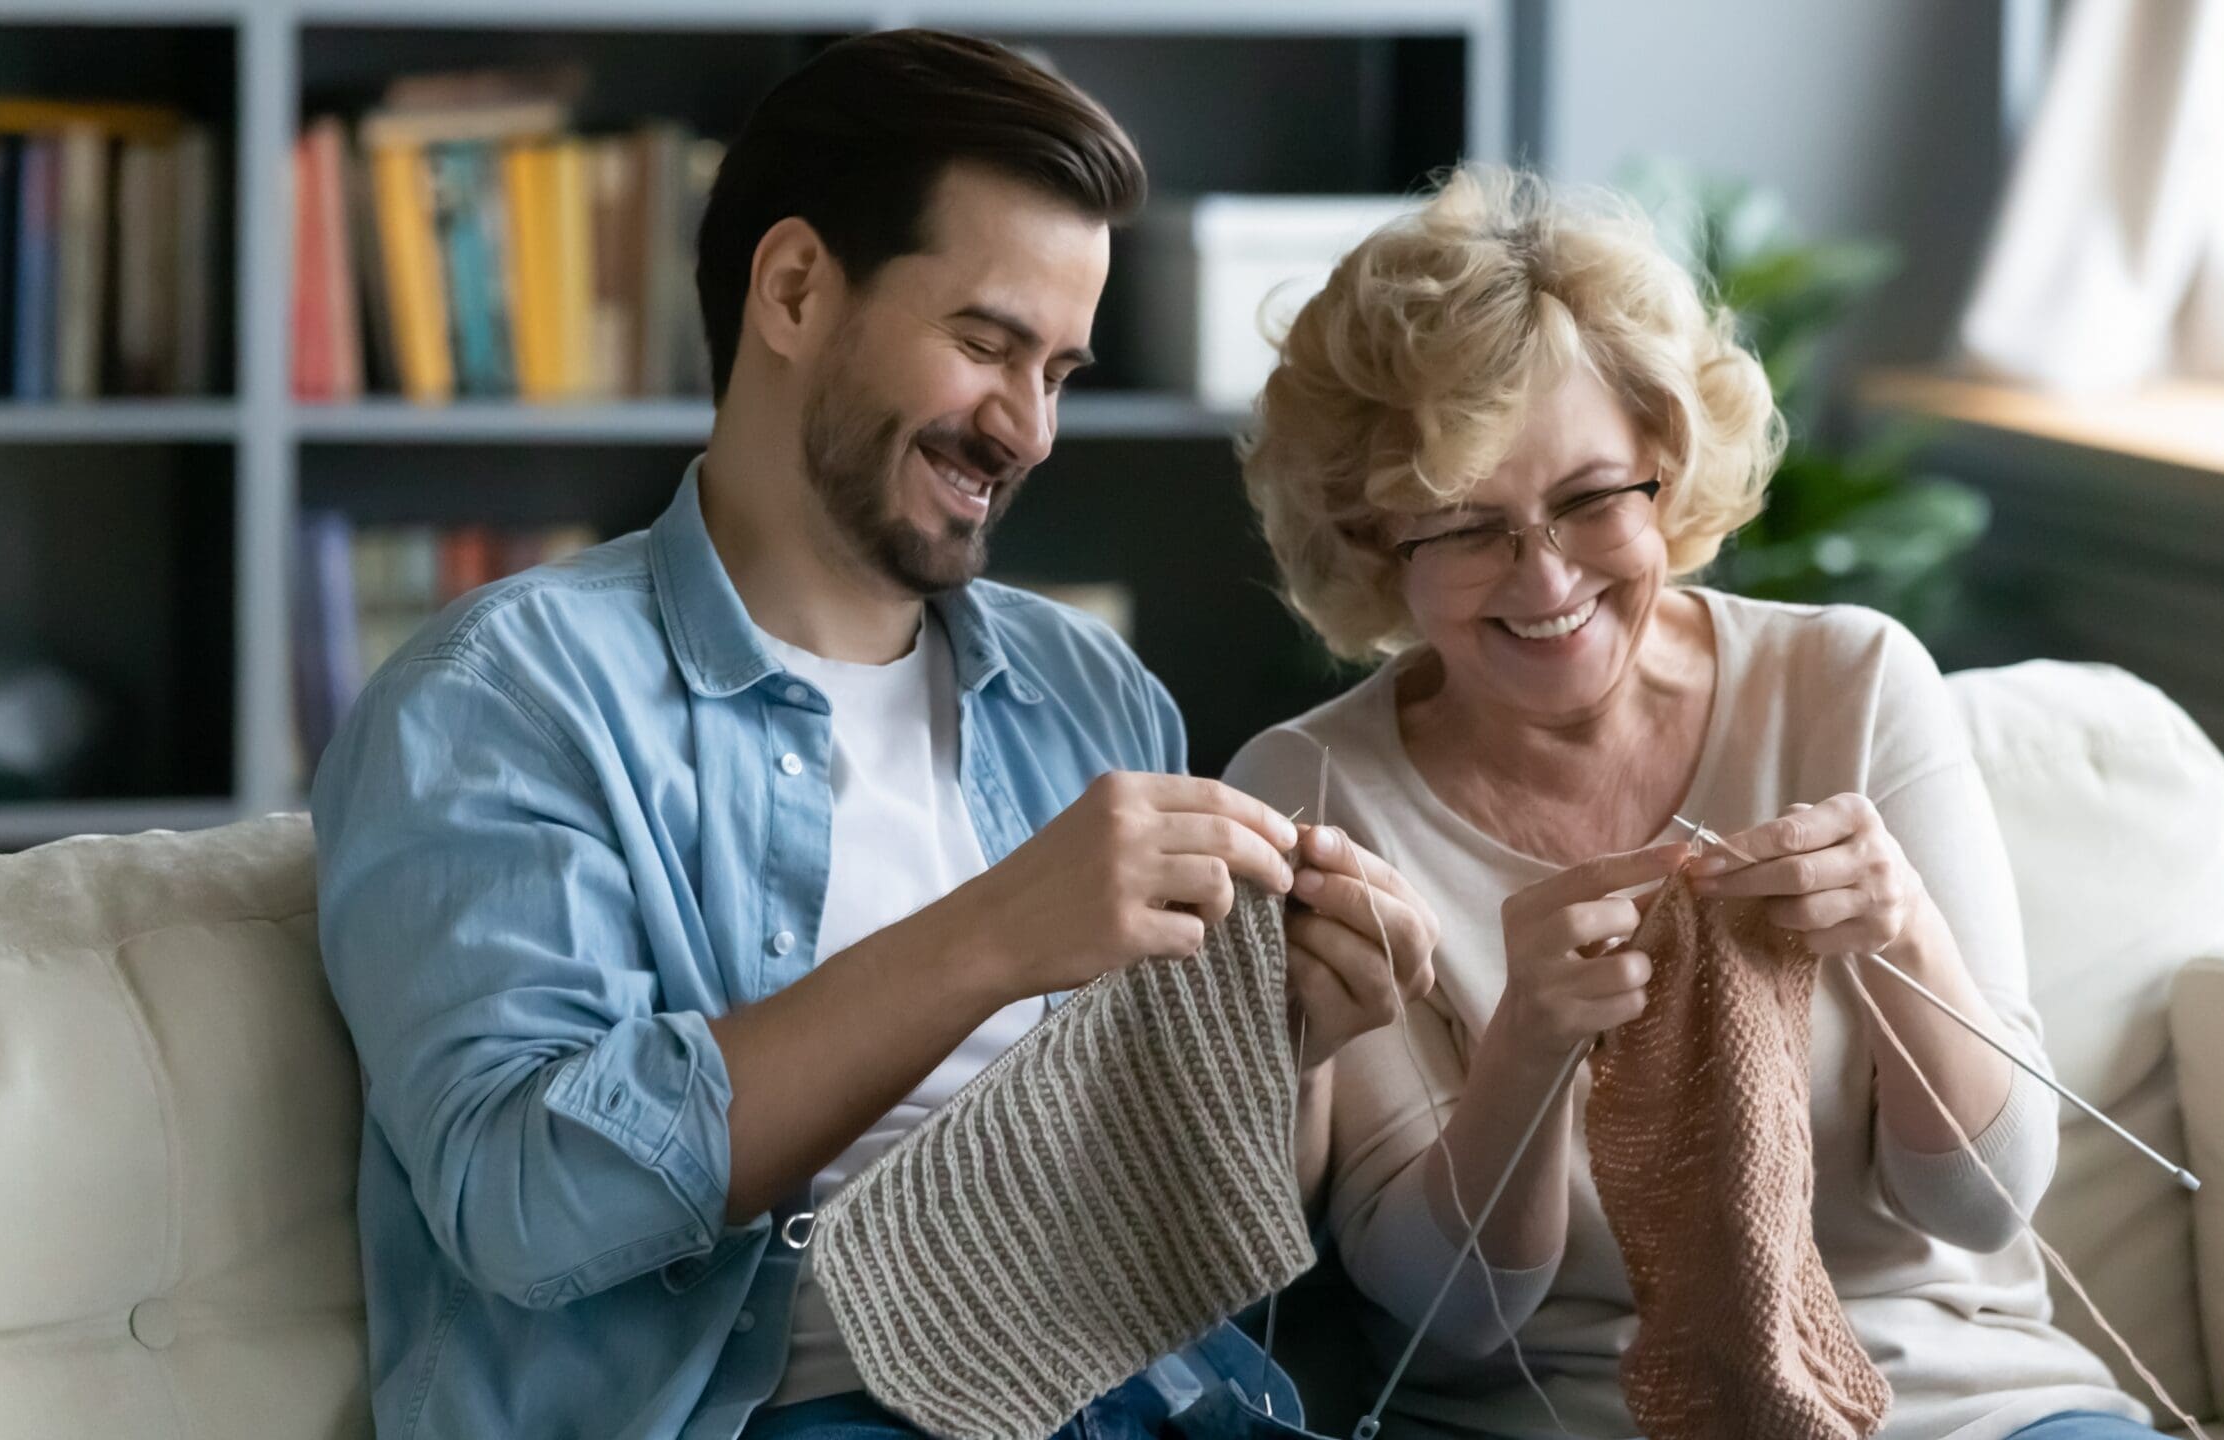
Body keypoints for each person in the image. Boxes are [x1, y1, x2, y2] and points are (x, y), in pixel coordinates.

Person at [312, 31, 1433, 1440]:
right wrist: (989, 939)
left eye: (1064, 372)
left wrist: (1282, 1045)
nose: (1027, 429)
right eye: (984, 344)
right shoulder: (506, 699)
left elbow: (1162, 1224)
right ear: (792, 290)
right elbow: (524, 1203)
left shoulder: (1089, 693)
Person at [1224, 164, 2165, 1440]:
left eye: (1588, 498)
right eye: (1463, 526)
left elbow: (1984, 1208)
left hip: (1957, 1407)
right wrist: (1527, 1049)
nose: (1545, 575)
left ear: (1667, 462)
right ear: (1365, 539)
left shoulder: (1852, 681)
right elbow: (1450, 1317)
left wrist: (1903, 938)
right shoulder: (1313, 791)